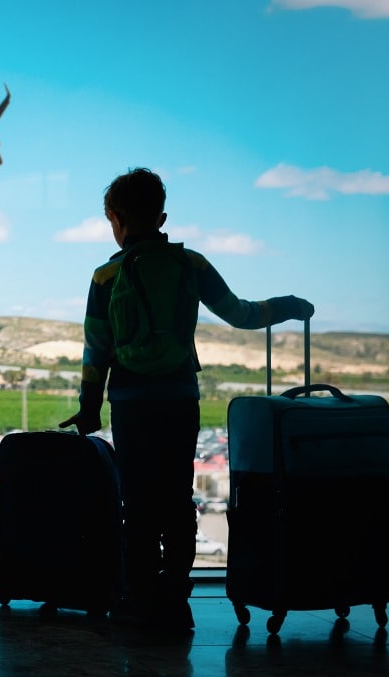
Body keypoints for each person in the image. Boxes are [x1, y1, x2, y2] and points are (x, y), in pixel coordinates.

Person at [59, 168, 314, 631]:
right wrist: (290, 305)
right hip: (179, 397)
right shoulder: (190, 264)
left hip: (131, 401)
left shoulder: (105, 276)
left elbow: (96, 350)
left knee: (136, 501)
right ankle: (176, 599)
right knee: (177, 498)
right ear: (161, 216)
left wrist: (89, 405)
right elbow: (241, 314)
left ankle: (138, 599)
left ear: (115, 219)